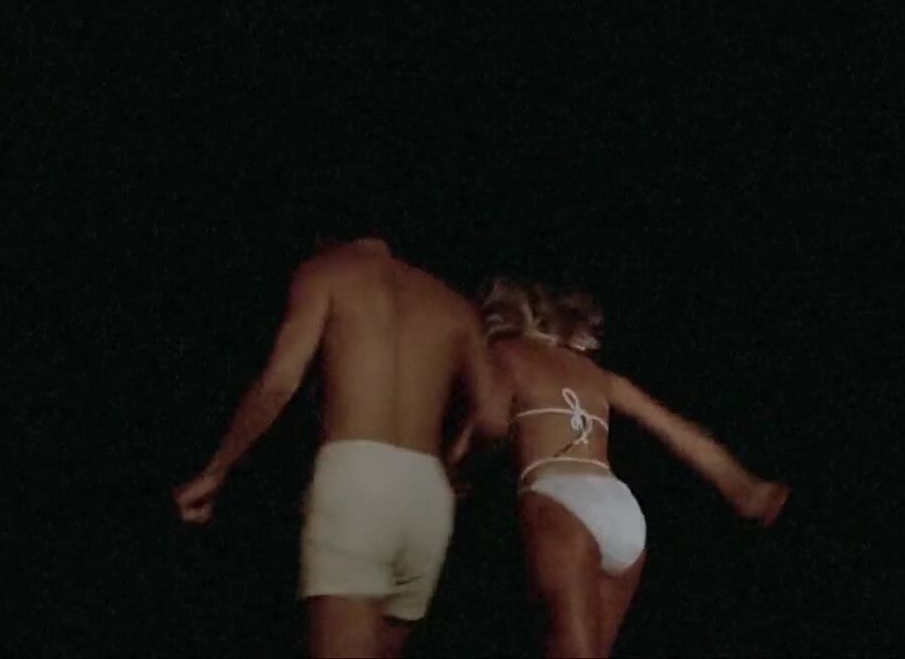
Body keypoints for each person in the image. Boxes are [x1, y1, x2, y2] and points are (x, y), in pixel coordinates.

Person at [173, 229, 503, 658]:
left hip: (356, 480)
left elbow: (280, 381)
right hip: (428, 491)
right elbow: (493, 420)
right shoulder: (452, 303)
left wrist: (217, 469)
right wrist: (456, 469)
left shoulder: (327, 272)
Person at [448, 278, 790, 658]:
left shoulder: (505, 354)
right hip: (619, 508)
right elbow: (675, 429)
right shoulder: (595, 374)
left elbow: (490, 421)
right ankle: (748, 492)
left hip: (558, 498)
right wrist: (744, 487)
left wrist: (456, 467)